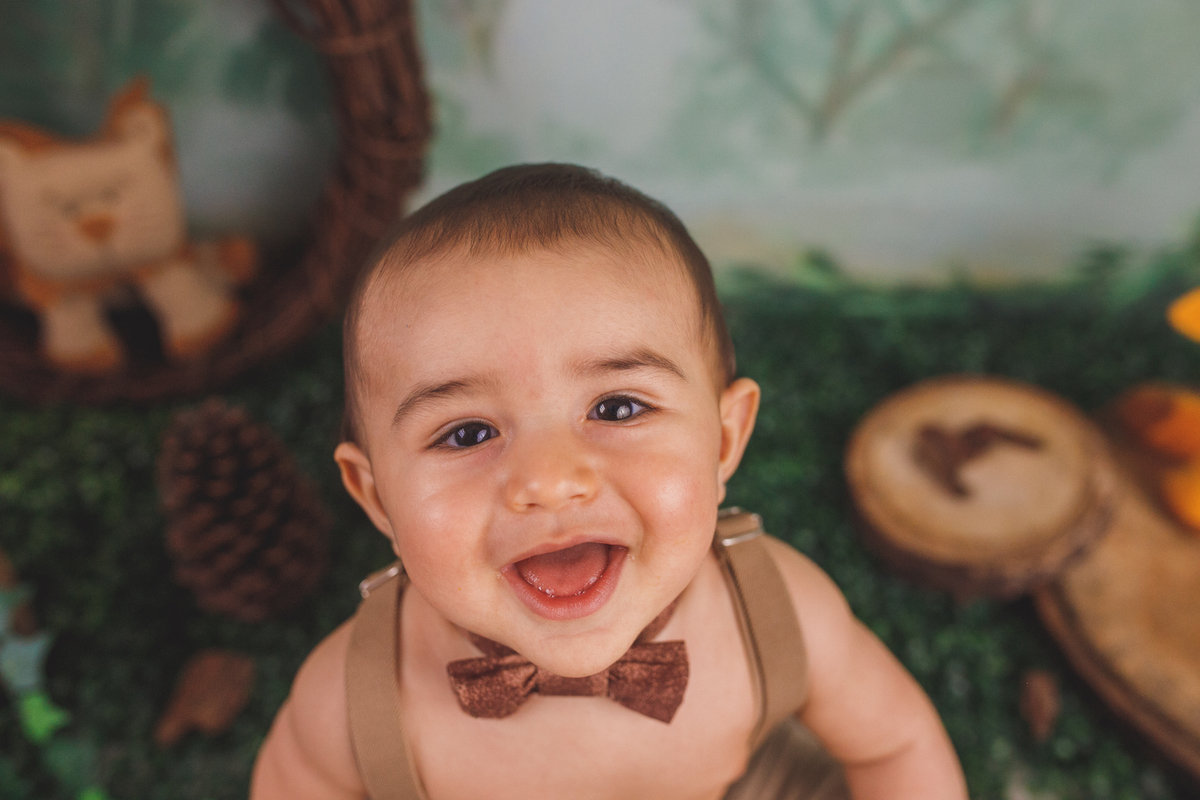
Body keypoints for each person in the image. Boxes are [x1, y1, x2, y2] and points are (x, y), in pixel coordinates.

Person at [250, 164, 969, 800]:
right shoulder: (356, 696)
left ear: (723, 441)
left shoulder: (777, 616)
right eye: (467, 433)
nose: (549, 482)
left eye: (617, 408)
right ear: (377, 497)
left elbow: (895, 745)